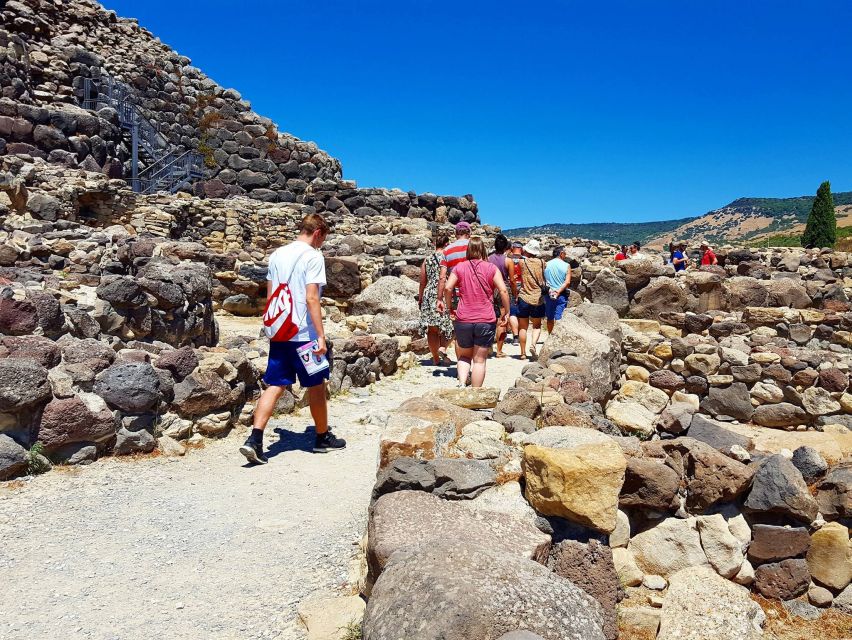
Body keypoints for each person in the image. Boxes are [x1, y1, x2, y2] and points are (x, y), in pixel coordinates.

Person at [240, 214, 346, 465]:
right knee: (317, 384)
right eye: (323, 238)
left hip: (280, 330)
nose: (322, 244)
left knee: (275, 384)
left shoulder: (277, 255)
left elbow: (270, 294)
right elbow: (312, 298)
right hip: (303, 334)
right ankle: (321, 437)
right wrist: (320, 335)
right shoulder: (313, 256)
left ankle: (254, 439)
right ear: (318, 232)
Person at [440, 237, 510, 387]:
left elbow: (447, 288)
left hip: (463, 318)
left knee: (464, 357)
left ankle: (462, 384)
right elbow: (503, 290)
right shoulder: (491, 268)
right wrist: (507, 312)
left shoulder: (459, 267)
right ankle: (475, 393)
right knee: (479, 360)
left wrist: (449, 307)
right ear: (483, 249)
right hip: (485, 318)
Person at [418, 235, 454, 365]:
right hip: (443, 292)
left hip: (428, 294)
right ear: (446, 245)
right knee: (448, 325)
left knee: (432, 329)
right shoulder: (447, 258)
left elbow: (422, 281)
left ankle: (435, 359)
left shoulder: (427, 259)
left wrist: (421, 297)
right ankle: (442, 347)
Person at [516, 239, 547, 360]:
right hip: (538, 298)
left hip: (524, 296)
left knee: (523, 327)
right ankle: (533, 345)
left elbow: (517, 255)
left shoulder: (522, 263)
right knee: (537, 326)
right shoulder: (543, 263)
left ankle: (523, 353)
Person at [487, 234, 517, 357]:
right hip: (504, 288)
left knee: (490, 319)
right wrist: (515, 293)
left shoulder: (488, 259)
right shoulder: (508, 261)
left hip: (490, 288)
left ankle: (488, 347)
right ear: (505, 247)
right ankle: (499, 350)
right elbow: (512, 280)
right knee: (503, 320)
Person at [436, 221, 472, 304]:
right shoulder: (475, 247)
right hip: (474, 293)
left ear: (456, 234)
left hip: (455, 295)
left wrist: (440, 299)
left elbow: (442, 277)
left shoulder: (446, 250)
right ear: (469, 233)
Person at [544, 246, 572, 333]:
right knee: (559, 317)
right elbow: (567, 282)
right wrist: (558, 292)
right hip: (561, 294)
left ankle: (550, 336)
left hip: (549, 294)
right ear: (561, 253)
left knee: (549, 317)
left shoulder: (546, 264)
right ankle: (558, 337)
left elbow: (543, 280)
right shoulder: (567, 265)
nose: (566, 255)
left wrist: (551, 291)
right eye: (565, 253)